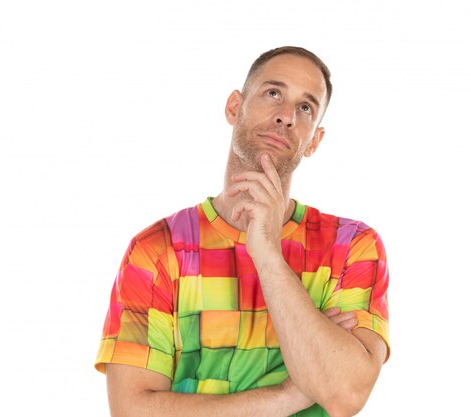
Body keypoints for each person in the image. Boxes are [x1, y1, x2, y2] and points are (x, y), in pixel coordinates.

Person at [94, 46, 390, 417]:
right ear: (235, 107)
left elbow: (344, 394)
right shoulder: (158, 249)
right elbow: (132, 410)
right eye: (273, 94)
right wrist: (290, 394)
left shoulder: (352, 247)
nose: (286, 116)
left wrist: (267, 251)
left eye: (305, 108)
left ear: (314, 140)